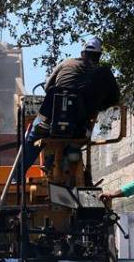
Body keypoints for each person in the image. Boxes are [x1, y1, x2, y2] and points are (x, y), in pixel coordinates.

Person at [22, 36, 121, 172]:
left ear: (82, 53)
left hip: (50, 120)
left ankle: (18, 175)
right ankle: (53, 163)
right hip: (78, 127)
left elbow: (48, 88)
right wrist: (99, 105)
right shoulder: (104, 73)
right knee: (74, 141)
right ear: (99, 56)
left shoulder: (66, 63)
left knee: (32, 139)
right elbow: (115, 98)